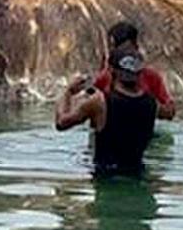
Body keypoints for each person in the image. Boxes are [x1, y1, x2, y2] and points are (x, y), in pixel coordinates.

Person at [56, 46, 158, 177]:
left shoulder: (100, 101)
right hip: (137, 174)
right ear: (140, 72)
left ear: (110, 69)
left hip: (106, 177)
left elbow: (61, 123)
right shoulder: (152, 102)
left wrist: (68, 92)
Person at [93, 21, 176, 120]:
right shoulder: (104, 77)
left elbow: (170, 111)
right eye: (113, 48)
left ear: (136, 47)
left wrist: (146, 108)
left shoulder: (151, 77)